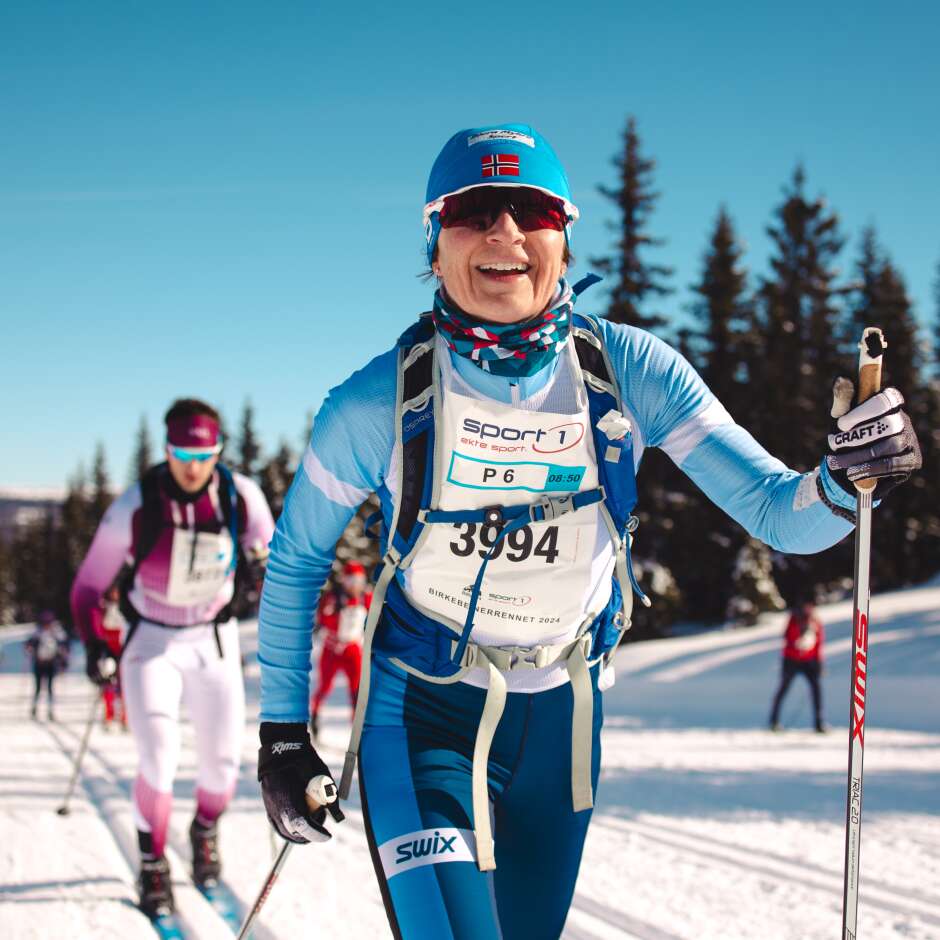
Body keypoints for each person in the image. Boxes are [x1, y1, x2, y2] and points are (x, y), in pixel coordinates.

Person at [254, 123, 922, 939]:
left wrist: (850, 484)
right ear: (434, 243)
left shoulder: (631, 373)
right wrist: (284, 735)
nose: (505, 231)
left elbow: (782, 513)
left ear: (564, 241)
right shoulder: (374, 405)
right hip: (421, 712)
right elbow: (294, 563)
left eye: (532, 210)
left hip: (563, 720)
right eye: (475, 210)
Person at [70, 398, 275, 920]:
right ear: (166, 449)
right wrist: (97, 644)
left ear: (219, 451)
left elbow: (271, 557)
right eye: (182, 450)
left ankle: (204, 828)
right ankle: (152, 862)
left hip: (213, 640)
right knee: (158, 755)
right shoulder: (135, 506)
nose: (192, 463)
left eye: (203, 451)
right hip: (152, 642)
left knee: (222, 765)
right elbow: (87, 588)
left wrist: (258, 577)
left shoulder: (239, 495)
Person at [309, 561, 372, 740]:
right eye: (351, 581)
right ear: (344, 581)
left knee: (356, 691)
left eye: (358, 581)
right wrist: (335, 613)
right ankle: (315, 715)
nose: (355, 586)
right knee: (325, 686)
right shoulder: (334, 598)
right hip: (333, 650)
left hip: (352, 649)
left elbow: (375, 617)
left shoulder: (365, 598)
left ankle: (357, 730)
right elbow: (323, 619)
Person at [769, 600, 826, 732]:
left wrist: (819, 663)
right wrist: (798, 640)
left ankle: (818, 723)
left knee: (816, 691)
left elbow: (818, 644)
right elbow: (788, 639)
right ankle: (774, 721)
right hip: (791, 660)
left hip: (809, 662)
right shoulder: (794, 620)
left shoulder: (815, 622)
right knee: (783, 689)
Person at [92, 585, 128, 730]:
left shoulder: (126, 606)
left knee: (125, 685)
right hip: (109, 651)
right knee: (109, 685)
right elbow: (98, 629)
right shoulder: (103, 609)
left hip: (124, 650)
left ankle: (125, 716)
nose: (115, 595)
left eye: (117, 592)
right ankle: (109, 715)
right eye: (113, 592)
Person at [25, 611, 69, 720]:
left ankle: (50, 710)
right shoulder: (38, 632)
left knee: (50, 688)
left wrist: (63, 660)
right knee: (38, 688)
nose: (46, 625)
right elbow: (29, 644)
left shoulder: (57, 633)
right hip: (40, 663)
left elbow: (65, 646)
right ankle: (35, 708)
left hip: (51, 663)